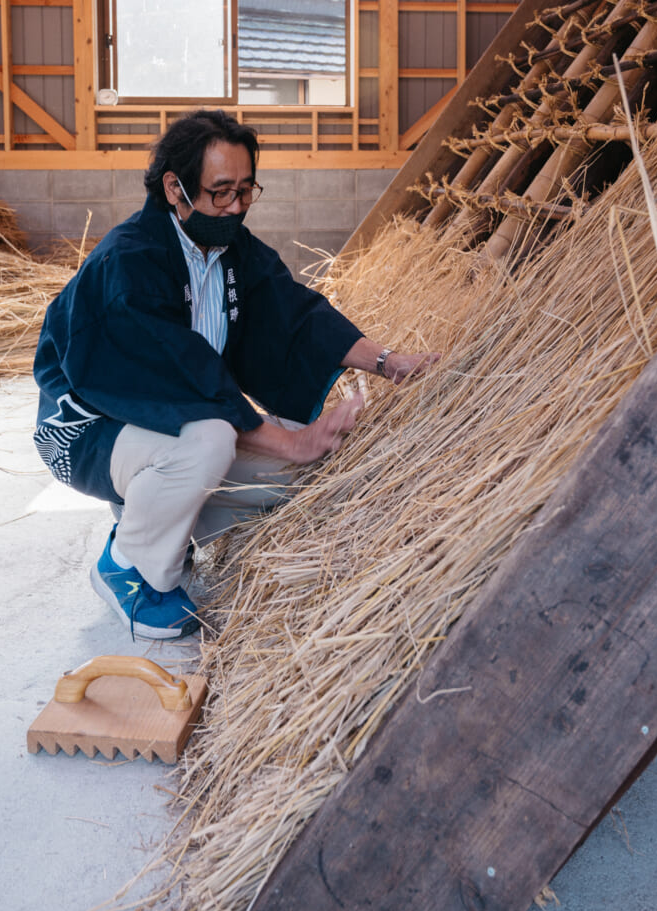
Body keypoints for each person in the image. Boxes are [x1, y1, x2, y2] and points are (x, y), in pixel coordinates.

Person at [33, 109, 438, 641]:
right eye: (221, 191)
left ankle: (155, 517)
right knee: (215, 438)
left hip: (162, 425)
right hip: (86, 431)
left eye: (247, 190)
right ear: (175, 188)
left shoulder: (229, 250)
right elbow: (185, 382)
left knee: (303, 469)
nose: (237, 206)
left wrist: (389, 363)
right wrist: (291, 443)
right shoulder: (131, 261)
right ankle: (128, 564)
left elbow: (296, 315)